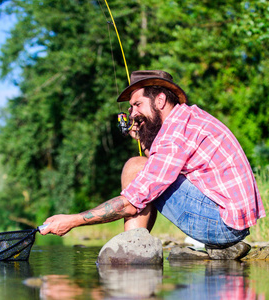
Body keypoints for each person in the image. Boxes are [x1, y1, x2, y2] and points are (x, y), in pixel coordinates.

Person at [40, 70, 266, 260]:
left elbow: (133, 200)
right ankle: (219, 248)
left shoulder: (174, 134)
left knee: (135, 166)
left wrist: (73, 220)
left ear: (160, 100)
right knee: (143, 167)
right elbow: (160, 165)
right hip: (230, 223)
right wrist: (143, 138)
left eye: (137, 104)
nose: (132, 113)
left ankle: (133, 251)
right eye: (130, 107)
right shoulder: (187, 119)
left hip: (222, 225)